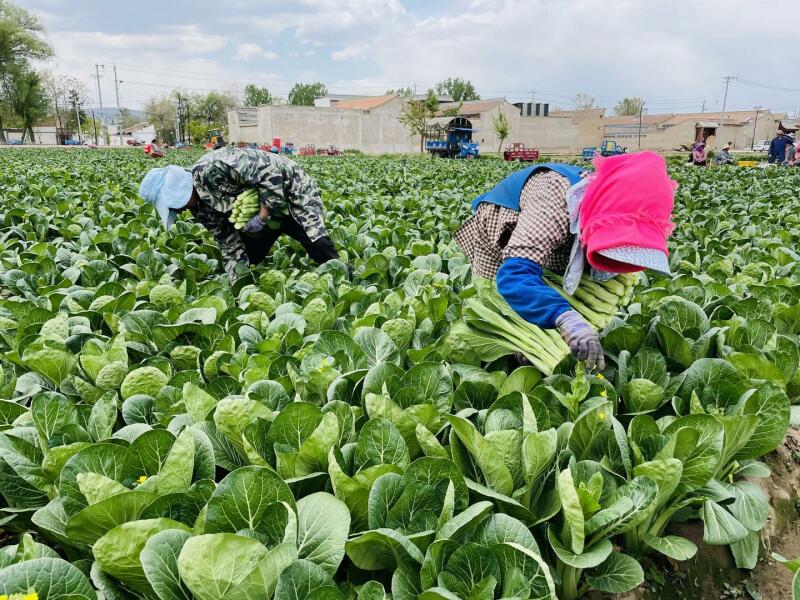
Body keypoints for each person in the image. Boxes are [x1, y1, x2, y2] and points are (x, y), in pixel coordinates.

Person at [454, 152, 676, 370]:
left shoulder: (622, 200)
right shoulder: (551, 202)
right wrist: (563, 319)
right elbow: (514, 276)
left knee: (550, 279)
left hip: (557, 230)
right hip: (501, 224)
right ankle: (522, 346)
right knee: (497, 293)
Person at [138, 146, 339, 281]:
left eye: (175, 206)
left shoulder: (211, 168)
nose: (180, 211)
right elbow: (229, 242)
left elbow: (270, 174)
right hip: (261, 209)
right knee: (247, 256)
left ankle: (344, 277)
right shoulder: (199, 208)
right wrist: (236, 284)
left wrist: (262, 215)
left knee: (317, 242)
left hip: (292, 189)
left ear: (178, 191)